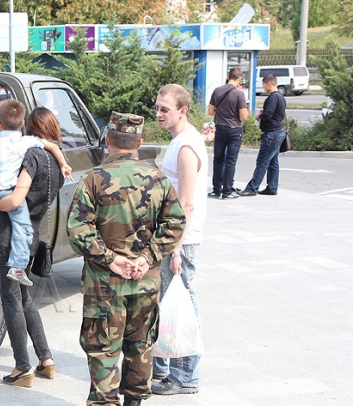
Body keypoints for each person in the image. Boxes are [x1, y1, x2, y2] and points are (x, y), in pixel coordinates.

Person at [67, 112, 186, 406]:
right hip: (145, 282)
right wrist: (148, 258)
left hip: (104, 286)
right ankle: (134, 401)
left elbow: (78, 230)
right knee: (141, 346)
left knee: (104, 350)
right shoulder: (158, 180)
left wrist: (110, 260)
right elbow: (175, 223)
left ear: (107, 140)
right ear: (139, 143)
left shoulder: (92, 179)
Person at [0, 106, 65, 388]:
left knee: (11, 301)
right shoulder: (56, 164)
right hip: (29, 238)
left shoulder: (32, 156)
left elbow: (15, 200)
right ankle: (46, 359)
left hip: (6, 237)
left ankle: (22, 367)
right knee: (25, 298)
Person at [0, 100, 72, 287]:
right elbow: (52, 147)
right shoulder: (38, 151)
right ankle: (17, 268)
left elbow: (14, 198)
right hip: (28, 231)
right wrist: (63, 163)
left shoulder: (2, 146)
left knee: (14, 299)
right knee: (20, 298)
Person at [152, 84, 208, 396]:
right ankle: (166, 368)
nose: (158, 114)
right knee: (169, 301)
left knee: (184, 304)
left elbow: (186, 203)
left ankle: (186, 376)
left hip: (181, 240)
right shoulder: (180, 140)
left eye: (165, 109)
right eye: (158, 108)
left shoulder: (186, 146)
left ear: (182, 111)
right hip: (173, 236)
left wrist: (175, 248)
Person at [239, 74, 287, 197]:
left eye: (263, 85)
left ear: (269, 84)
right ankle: (272, 187)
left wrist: (259, 116)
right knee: (273, 162)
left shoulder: (272, 98)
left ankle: (252, 188)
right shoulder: (281, 97)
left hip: (272, 133)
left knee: (262, 162)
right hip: (278, 131)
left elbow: (268, 115)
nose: (263, 87)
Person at [208, 67, 249, 199]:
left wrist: (221, 114)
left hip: (220, 128)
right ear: (239, 78)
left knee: (218, 159)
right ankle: (227, 191)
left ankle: (216, 190)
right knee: (230, 161)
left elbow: (210, 111)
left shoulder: (217, 90)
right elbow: (244, 116)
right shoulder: (239, 94)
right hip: (234, 130)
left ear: (228, 76)